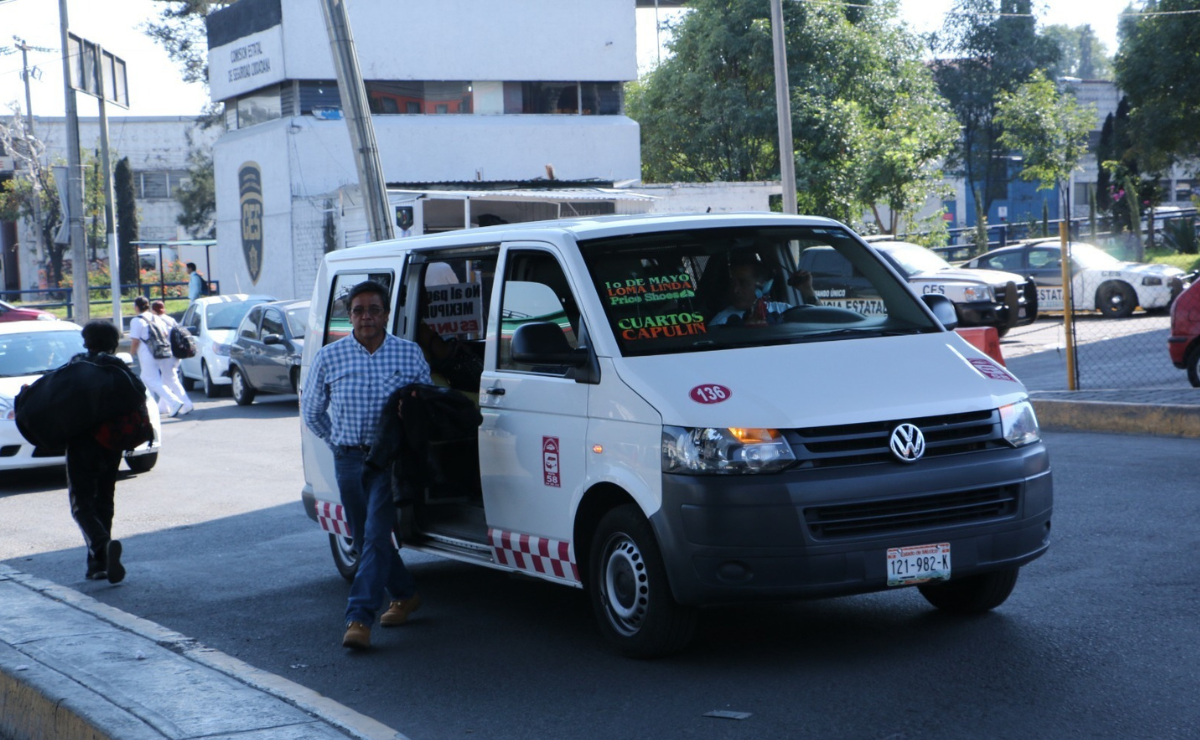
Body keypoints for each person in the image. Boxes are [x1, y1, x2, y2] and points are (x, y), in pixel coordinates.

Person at [301, 280, 432, 650]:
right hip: (347, 458)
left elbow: (427, 405)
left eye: (374, 309)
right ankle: (405, 594)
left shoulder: (408, 354)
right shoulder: (330, 357)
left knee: (375, 534)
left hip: (389, 461)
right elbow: (312, 411)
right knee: (362, 538)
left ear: (387, 314)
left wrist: (413, 412)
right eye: (358, 310)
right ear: (349, 316)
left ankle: (358, 617)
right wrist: (336, 441)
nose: (366, 317)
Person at [67, 321, 146, 584]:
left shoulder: (76, 364)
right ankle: (97, 565)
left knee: (81, 505)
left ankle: (101, 546)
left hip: (81, 444)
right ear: (113, 342)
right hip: (111, 444)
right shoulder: (118, 367)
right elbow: (139, 395)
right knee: (104, 501)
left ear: (86, 341)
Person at [710, 257, 819, 326]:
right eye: (733, 283)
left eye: (743, 283)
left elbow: (822, 321)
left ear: (763, 285)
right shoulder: (721, 323)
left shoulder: (784, 311)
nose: (735, 290)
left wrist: (808, 291)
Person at [129, 295, 187, 417]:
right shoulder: (156, 318)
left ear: (137, 307)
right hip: (160, 352)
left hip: (146, 354)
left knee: (152, 380)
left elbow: (135, 341)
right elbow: (165, 333)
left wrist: (131, 355)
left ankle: (174, 402)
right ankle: (148, 408)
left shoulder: (136, 320)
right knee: (145, 379)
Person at [151, 299, 193, 415]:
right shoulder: (171, 320)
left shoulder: (157, 320)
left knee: (172, 380)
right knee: (166, 380)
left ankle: (187, 403)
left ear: (153, 310)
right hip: (176, 354)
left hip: (167, 354)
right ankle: (163, 406)